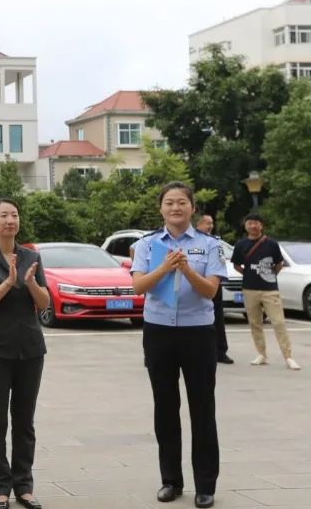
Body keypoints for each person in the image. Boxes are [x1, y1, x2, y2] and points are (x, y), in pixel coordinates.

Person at [131, 182, 225, 508]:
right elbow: (139, 285)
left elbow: (210, 291)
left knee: (202, 409)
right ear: (161, 209)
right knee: (165, 408)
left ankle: (205, 485)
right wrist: (165, 267)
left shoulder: (209, 245)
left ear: (192, 208)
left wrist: (186, 268)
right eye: (169, 203)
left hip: (198, 334)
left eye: (181, 202)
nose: (175, 208)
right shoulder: (147, 244)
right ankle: (170, 480)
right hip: (159, 333)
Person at [0, 198, 50, 509]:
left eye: (14, 215)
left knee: (25, 420)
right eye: (3, 215)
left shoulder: (31, 256)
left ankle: (24, 486)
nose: (10, 220)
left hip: (30, 349)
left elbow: (43, 304)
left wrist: (29, 283)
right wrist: (7, 282)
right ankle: (0, 489)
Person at [230, 213, 299, 371]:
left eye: (256, 223)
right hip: (249, 289)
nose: (253, 226)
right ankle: (261, 354)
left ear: (261, 225)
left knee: (278, 322)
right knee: (255, 323)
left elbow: (279, 264)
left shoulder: (271, 244)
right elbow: (236, 265)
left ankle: (288, 356)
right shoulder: (241, 244)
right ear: (246, 226)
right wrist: (249, 275)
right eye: (250, 223)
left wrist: (269, 276)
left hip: (270, 290)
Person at [194, 215, 233, 364]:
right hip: (195, 282)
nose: (210, 226)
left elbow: (221, 261)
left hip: (213, 282)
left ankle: (220, 351)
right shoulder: (190, 240)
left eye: (212, 223)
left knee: (218, 317)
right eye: (207, 223)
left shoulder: (215, 242)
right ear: (198, 224)